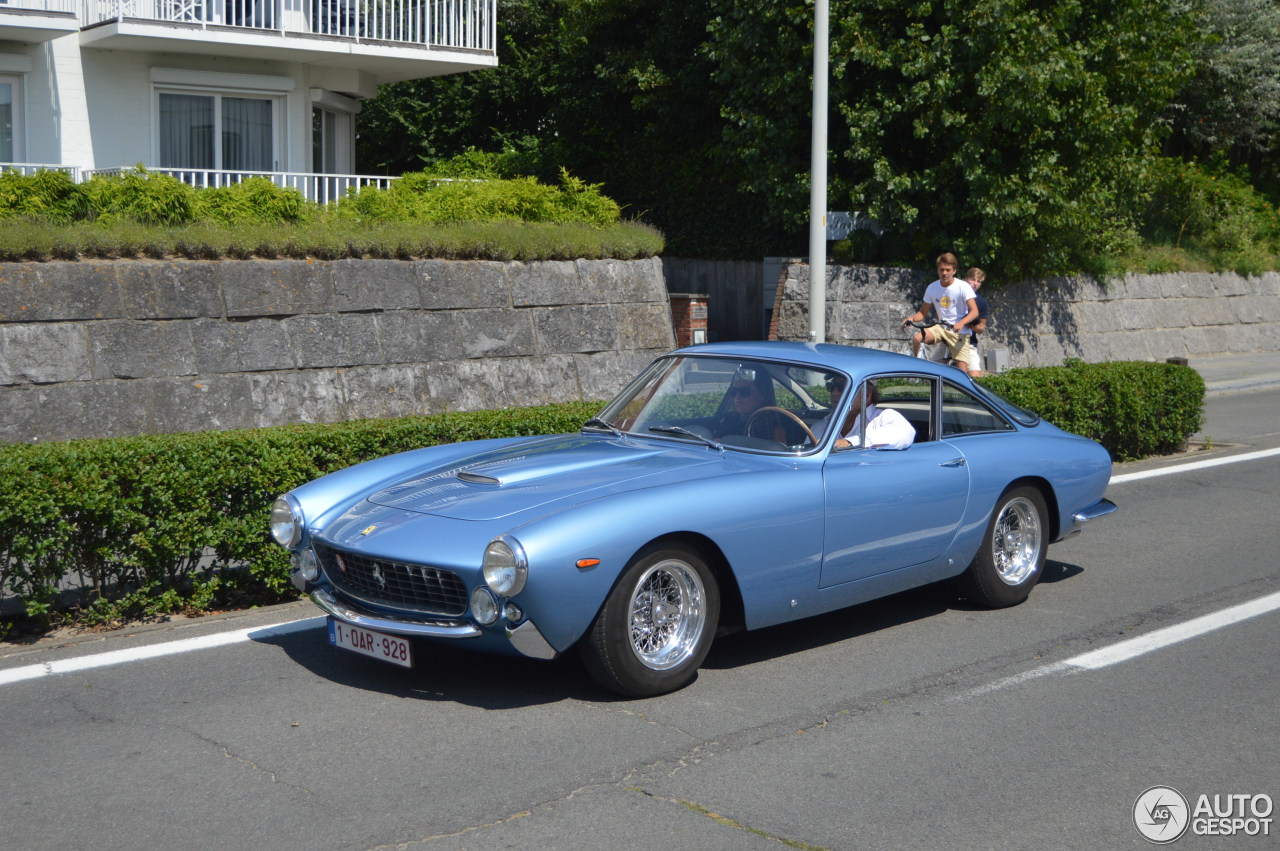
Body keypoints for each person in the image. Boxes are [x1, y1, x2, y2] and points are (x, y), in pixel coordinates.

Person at [901, 253, 977, 367]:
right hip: (941, 327)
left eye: (948, 270)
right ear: (938, 270)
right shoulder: (932, 287)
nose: (944, 273)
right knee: (917, 339)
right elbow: (922, 313)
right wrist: (911, 319)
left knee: (961, 372)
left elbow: (975, 311)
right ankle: (916, 367)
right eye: (941, 270)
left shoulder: (963, 287)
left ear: (954, 270)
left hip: (959, 332)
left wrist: (961, 323)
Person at [813, 378, 914, 450]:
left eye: (842, 387)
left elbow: (905, 434)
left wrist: (850, 442)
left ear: (867, 395)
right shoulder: (820, 426)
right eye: (831, 386)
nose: (834, 392)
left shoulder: (883, 417)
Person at [712, 366, 786, 441]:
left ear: (762, 394)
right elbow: (714, 445)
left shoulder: (774, 429)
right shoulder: (728, 420)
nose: (737, 398)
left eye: (745, 392)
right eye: (733, 391)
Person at [961, 267, 991, 377]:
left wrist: (971, 323)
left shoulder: (981, 302)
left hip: (969, 342)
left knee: (975, 376)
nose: (975, 284)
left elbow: (981, 328)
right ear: (965, 279)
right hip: (948, 339)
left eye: (979, 281)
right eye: (973, 279)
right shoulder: (955, 294)